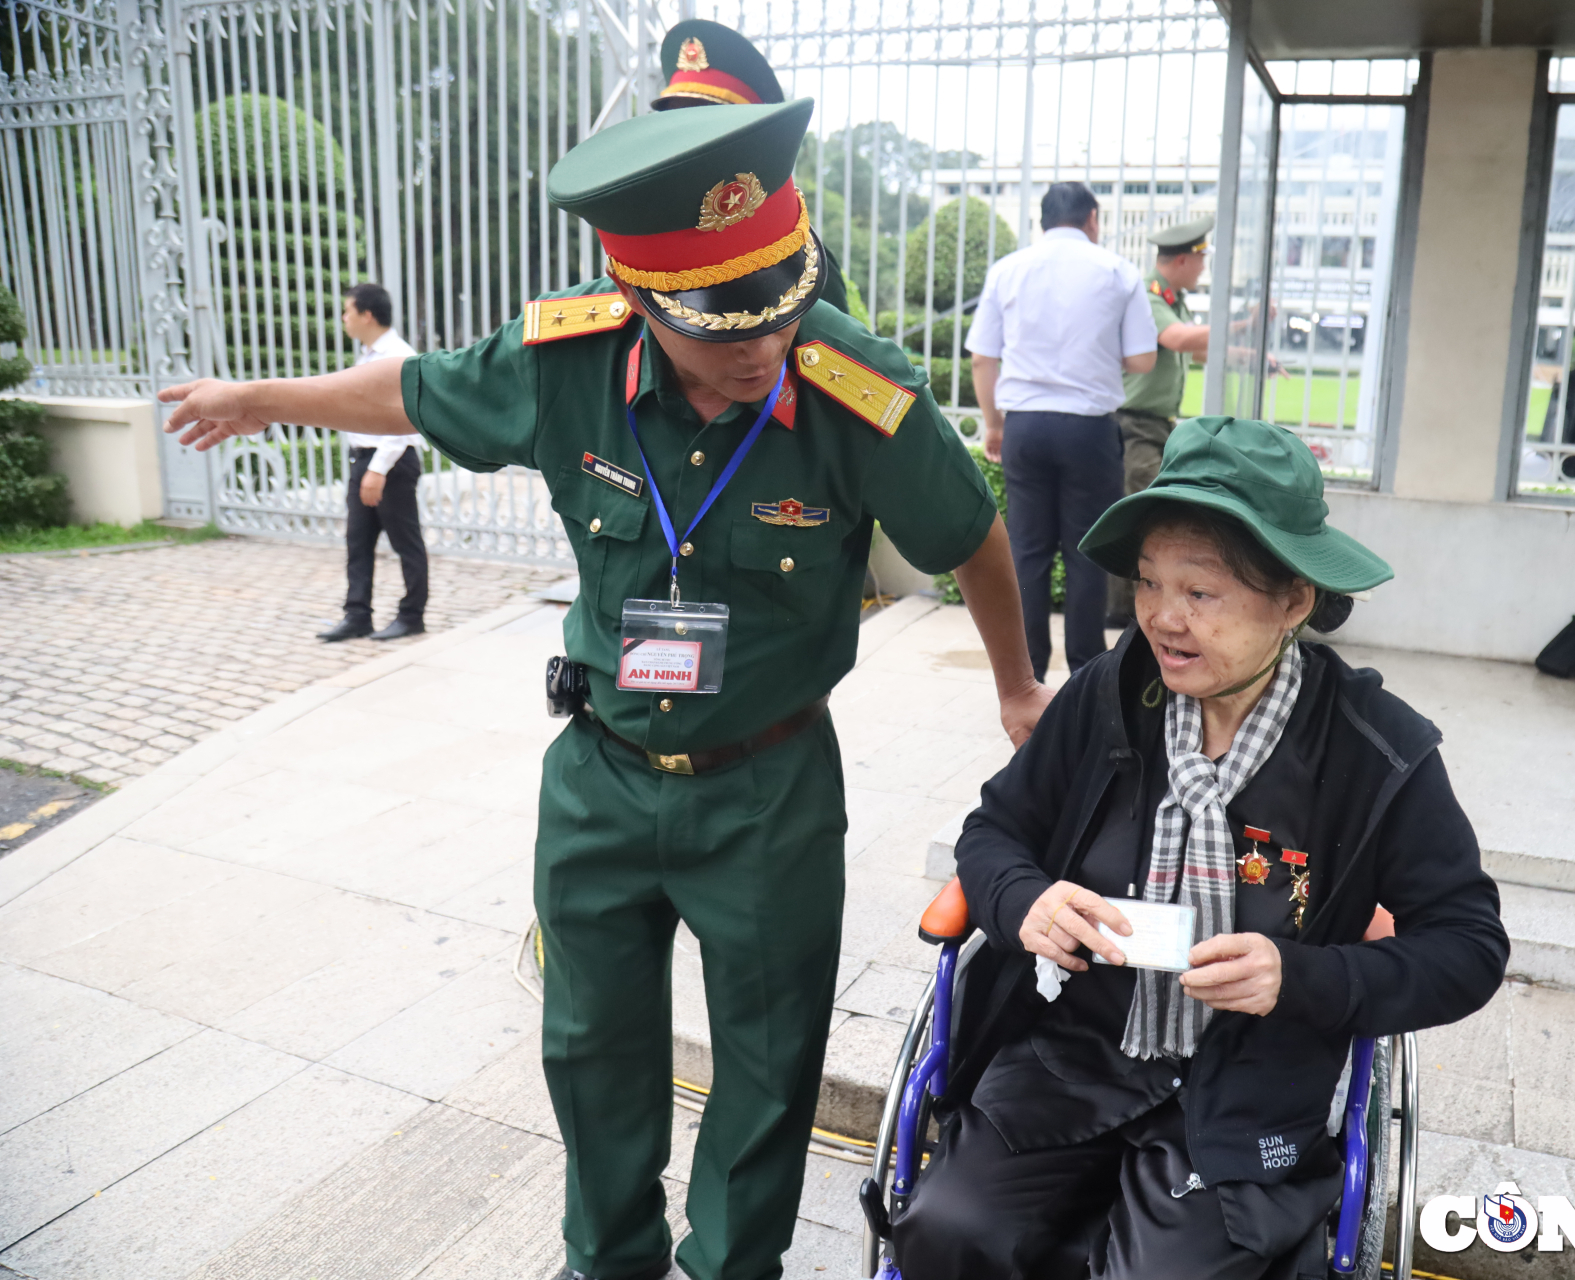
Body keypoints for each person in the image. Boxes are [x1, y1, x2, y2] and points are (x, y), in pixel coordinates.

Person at [160, 99, 1049, 1280]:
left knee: (770, 1059)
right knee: (589, 1047)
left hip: (770, 787)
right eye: (719, 326)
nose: (758, 346)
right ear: (636, 295)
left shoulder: (850, 385)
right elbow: (416, 394)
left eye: (776, 309)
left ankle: (734, 1264)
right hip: (601, 777)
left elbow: (971, 530)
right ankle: (609, 1258)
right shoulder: (566, 360)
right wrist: (260, 397)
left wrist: (1018, 689)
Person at [890, 416, 1509, 1280]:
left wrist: (1301, 978)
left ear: (1295, 600)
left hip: (1250, 1090)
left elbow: (1470, 948)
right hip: (1076, 1052)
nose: (1161, 619)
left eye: (1201, 594)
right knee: (947, 1232)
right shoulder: (1111, 693)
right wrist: (1027, 901)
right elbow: (995, 831)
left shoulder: (1376, 753)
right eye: (1148, 584)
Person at [967, 181, 1159, 682]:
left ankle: (1027, 675)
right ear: (1092, 218)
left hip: (1026, 426)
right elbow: (1143, 358)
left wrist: (993, 424)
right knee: (1084, 552)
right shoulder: (1118, 271)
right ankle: (1085, 672)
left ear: (1042, 221)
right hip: (1089, 429)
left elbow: (983, 358)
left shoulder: (1008, 270)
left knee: (1027, 552)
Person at [650, 18, 850, 315]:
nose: (686, 141)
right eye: (675, 122)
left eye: (706, 124)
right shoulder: (647, 238)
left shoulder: (801, 260)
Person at [1105, 215, 1213, 627]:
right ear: (1184, 259)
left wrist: (1248, 352)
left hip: (1155, 427)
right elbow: (1178, 340)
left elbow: (1194, 351)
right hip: (1134, 424)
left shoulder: (1174, 301)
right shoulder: (1151, 298)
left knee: (1146, 514)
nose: (1204, 267)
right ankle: (1120, 612)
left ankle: (1129, 609)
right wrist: (1240, 325)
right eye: (1201, 259)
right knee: (1138, 514)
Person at [316, 282, 428, 642]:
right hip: (363, 460)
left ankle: (412, 616)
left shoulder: (397, 354)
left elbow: (405, 418)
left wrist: (378, 468)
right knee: (358, 542)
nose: (344, 318)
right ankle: (357, 615)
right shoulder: (367, 355)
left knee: (404, 542)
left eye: (347, 310)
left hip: (391, 462)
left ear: (367, 314)